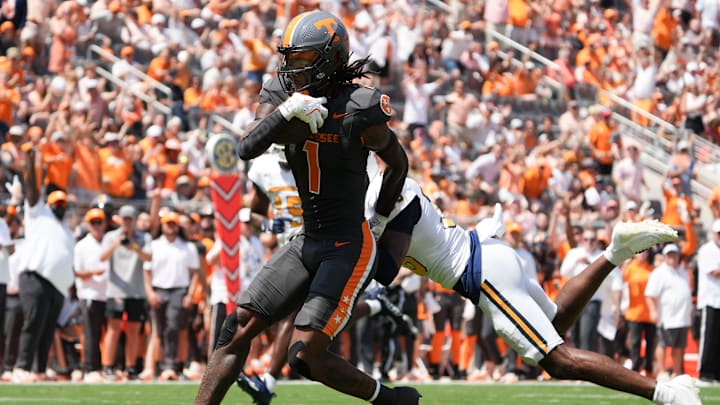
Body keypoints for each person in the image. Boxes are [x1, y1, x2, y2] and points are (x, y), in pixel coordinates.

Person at [195, 10, 415, 405]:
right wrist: (287, 110)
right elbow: (246, 148)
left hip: (348, 243)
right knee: (237, 326)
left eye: (300, 60)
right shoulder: (281, 94)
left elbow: (397, 163)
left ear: (330, 59)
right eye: (288, 59)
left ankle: (389, 399)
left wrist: (381, 219)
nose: (290, 69)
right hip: (307, 238)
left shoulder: (359, 107)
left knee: (305, 357)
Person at [362, 175, 699, 405]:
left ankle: (669, 396)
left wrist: (358, 242)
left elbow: (385, 271)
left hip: (479, 273)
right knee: (556, 322)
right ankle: (616, 252)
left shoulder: (378, 197)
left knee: (559, 361)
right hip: (489, 253)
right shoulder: (384, 187)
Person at [237, 147, 415, 403]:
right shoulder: (265, 169)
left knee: (296, 316)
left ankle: (268, 381)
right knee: (314, 320)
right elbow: (257, 212)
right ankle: (375, 306)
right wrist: (272, 225)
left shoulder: (317, 158)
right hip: (291, 247)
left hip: (324, 243)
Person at [13, 147, 74, 382]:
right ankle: (22, 367)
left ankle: (38, 369)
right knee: (33, 323)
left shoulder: (65, 227)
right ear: (49, 203)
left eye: (63, 203)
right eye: (57, 202)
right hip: (35, 277)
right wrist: (31, 164)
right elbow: (31, 191)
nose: (60, 205)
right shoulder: (38, 214)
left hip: (57, 285)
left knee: (47, 329)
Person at [99, 205, 152, 381]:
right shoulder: (110, 236)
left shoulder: (144, 238)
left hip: (136, 290)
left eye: (130, 219)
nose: (127, 222)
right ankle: (107, 367)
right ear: (120, 219)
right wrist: (117, 243)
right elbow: (102, 257)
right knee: (113, 329)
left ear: (135, 220)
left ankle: (130, 368)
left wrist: (134, 247)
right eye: (125, 218)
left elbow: (149, 258)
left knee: (133, 330)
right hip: (116, 290)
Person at [73, 208, 109, 382]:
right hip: (89, 293)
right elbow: (78, 271)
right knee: (91, 332)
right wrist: (94, 272)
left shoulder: (107, 243)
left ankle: (105, 367)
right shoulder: (82, 246)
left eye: (99, 222)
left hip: (107, 294)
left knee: (108, 333)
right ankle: (89, 367)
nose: (96, 225)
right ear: (87, 224)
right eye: (93, 222)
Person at [696, 219, 720, 385]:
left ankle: (717, 373)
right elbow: (714, 272)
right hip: (710, 300)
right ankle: (705, 372)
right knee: (709, 337)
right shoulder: (707, 250)